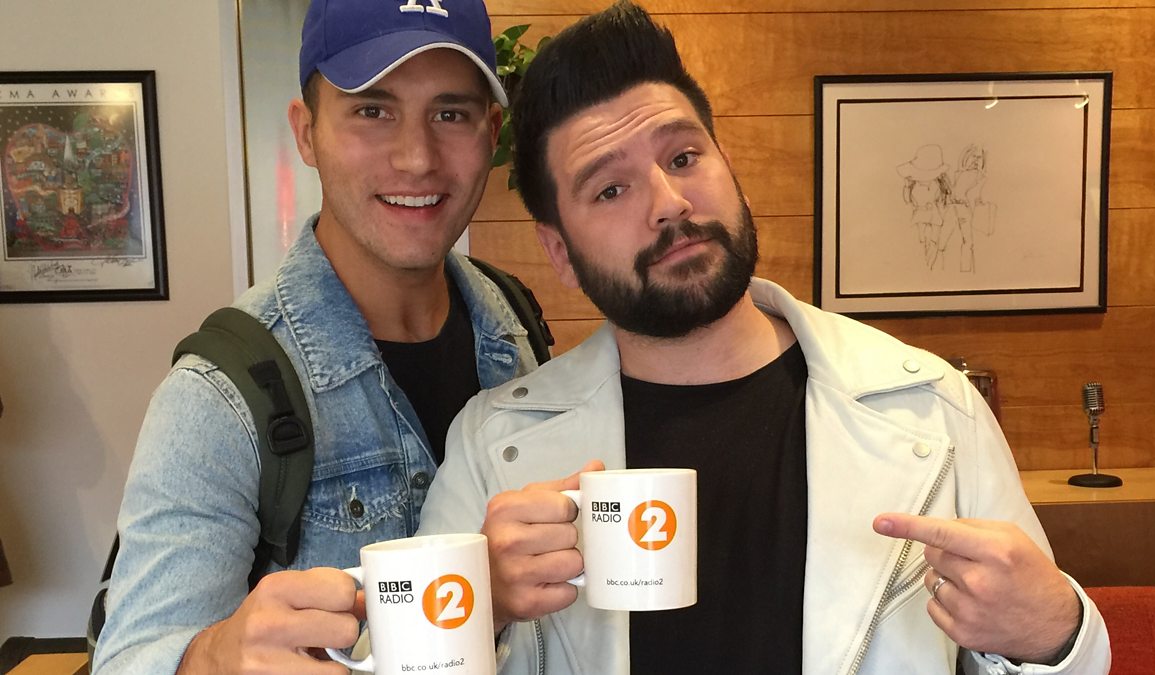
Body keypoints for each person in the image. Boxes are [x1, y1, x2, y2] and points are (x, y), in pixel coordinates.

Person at [417, 3, 1111, 673]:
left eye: (683, 157)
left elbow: (1038, 642)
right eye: (610, 190)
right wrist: (485, 609)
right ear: (559, 252)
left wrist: (1056, 636)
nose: (668, 203)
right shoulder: (493, 446)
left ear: (730, 169)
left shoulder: (933, 409)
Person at [93, 1, 543, 672]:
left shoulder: (515, 327)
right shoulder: (220, 396)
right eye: (373, 110)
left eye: (450, 114)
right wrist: (215, 656)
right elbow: (128, 658)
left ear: (492, 132)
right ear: (306, 134)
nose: (417, 158)